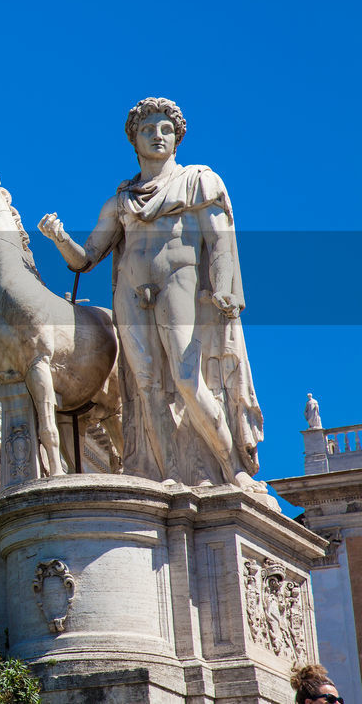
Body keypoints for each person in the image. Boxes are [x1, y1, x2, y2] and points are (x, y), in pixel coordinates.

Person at [38, 97, 263, 489]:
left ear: (177, 138)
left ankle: (232, 469)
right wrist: (59, 239)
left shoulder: (198, 182)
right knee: (146, 388)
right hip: (131, 291)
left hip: (181, 282)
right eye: (147, 130)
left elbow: (221, 242)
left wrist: (224, 287)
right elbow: (86, 258)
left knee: (188, 378)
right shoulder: (121, 200)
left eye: (165, 129)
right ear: (134, 140)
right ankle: (168, 473)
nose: (157, 136)